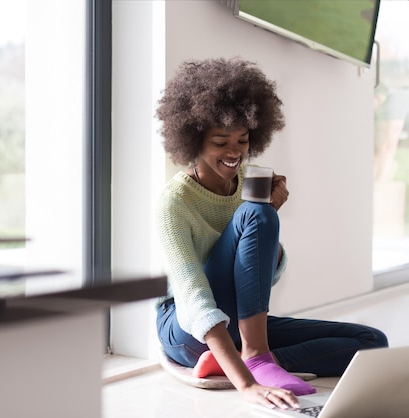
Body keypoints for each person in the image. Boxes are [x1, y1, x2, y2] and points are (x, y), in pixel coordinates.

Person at [154, 57, 389, 411]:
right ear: (193, 140)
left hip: (235, 325)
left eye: (243, 140)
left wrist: (265, 217)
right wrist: (247, 386)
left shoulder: (247, 184)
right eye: (220, 142)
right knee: (255, 214)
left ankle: (244, 360)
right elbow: (194, 303)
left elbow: (266, 276)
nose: (234, 152)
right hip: (188, 331)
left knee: (371, 342)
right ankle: (253, 359)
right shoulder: (174, 204)